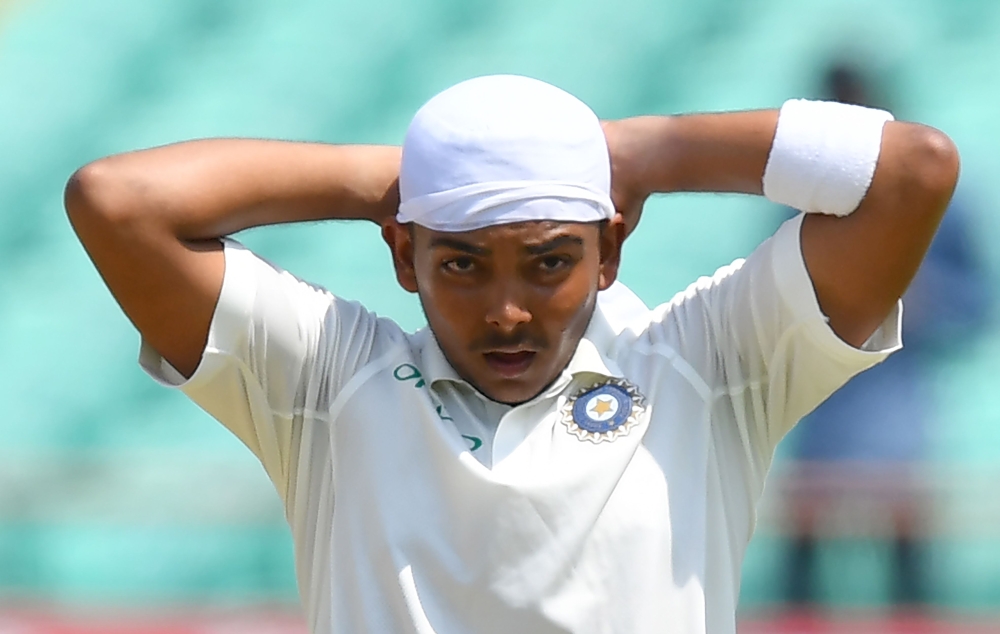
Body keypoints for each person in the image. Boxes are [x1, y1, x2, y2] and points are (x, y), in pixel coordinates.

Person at [65, 75, 958, 634]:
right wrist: (428, 173)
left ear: (610, 249)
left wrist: (640, 151)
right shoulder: (330, 380)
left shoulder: (707, 364)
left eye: (550, 261)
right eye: (459, 261)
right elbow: (116, 200)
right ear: (400, 254)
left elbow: (912, 170)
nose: (506, 311)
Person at [784, 62, 990, 608]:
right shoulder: (802, 203)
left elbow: (977, 306)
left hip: (896, 400)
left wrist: (923, 303)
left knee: (906, 562)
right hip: (820, 400)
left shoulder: (937, 203)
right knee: (803, 562)